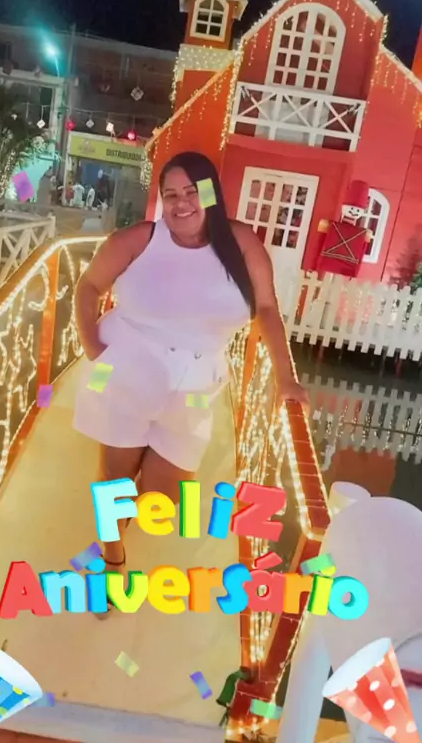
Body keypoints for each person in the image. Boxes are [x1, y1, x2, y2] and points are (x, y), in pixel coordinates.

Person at [74, 152, 308, 617]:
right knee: (115, 482)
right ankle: (111, 563)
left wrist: (287, 378)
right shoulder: (139, 240)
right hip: (126, 371)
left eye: (191, 192)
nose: (181, 204)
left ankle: (111, 533)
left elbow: (266, 309)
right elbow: (88, 287)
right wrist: (93, 347)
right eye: (171, 195)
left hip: (196, 385)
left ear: (210, 193)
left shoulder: (240, 242)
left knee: (161, 500)